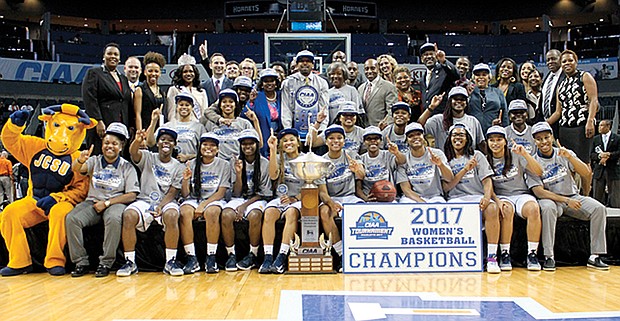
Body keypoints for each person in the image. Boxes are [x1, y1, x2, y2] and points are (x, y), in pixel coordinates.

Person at [529, 121, 609, 271]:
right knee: (547, 209)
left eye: (546, 137)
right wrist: (566, 200)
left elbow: (586, 173)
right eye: (539, 139)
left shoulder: (565, 153)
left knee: (599, 208)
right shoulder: (533, 162)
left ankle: (595, 256)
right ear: (535, 141)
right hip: (550, 199)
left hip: (572, 195)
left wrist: (570, 157)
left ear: (552, 137)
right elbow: (539, 192)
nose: (544, 141)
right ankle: (549, 256)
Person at [67, 123, 140, 277]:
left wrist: (107, 203)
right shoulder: (94, 160)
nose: (109, 146)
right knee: (72, 219)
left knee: (113, 219)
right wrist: (80, 160)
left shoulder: (127, 167)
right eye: (107, 143)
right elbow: (76, 169)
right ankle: (81, 262)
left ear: (121, 147)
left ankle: (106, 263)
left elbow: (132, 194)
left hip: (116, 203)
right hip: (92, 202)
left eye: (114, 144)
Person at [116, 126, 184, 277]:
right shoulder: (148, 156)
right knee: (129, 215)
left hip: (166, 201)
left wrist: (160, 206)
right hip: (145, 200)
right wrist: (137, 140)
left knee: (172, 215)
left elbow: (173, 191)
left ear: (174, 145)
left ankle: (170, 261)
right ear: (157, 143)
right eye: (163, 140)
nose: (166, 143)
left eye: (170, 141)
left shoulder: (179, 166)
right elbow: (133, 152)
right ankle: (130, 262)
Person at [441, 124, 500, 273]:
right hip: (456, 198)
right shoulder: (444, 158)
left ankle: (492, 258)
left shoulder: (477, 155)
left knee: (492, 208)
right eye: (455, 135)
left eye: (461, 135)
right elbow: (446, 188)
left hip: (477, 196)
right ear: (450, 138)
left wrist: (487, 198)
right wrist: (465, 169)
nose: (458, 138)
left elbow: (487, 181)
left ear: (467, 139)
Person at [485, 125, 544, 271]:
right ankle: (505, 253)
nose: (495, 143)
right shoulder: (485, 159)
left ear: (505, 141)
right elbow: (487, 185)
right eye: (492, 140)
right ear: (487, 142)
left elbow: (539, 172)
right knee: (507, 210)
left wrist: (525, 154)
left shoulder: (516, 154)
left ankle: (532, 254)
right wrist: (497, 201)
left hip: (520, 194)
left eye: (499, 139)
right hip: (501, 195)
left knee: (533, 209)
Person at [548, 50, 599, 196]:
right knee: (568, 164)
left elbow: (593, 100)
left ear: (576, 62)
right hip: (565, 128)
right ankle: (572, 194)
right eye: (564, 61)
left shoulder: (585, 76)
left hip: (582, 126)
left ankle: (587, 196)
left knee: (584, 163)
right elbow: (558, 112)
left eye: (570, 60)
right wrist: (544, 124)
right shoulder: (561, 85)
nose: (567, 63)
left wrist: (590, 121)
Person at [179, 132, 231, 274]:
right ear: (200, 147)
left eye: (213, 145)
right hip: (194, 199)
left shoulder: (224, 165)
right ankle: (191, 258)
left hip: (214, 199)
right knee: (184, 213)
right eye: (205, 144)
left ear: (218, 149)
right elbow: (185, 194)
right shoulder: (191, 164)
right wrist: (185, 180)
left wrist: (203, 205)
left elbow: (221, 193)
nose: (208, 147)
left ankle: (211, 257)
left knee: (212, 212)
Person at [317, 124, 366, 272]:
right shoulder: (321, 162)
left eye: (339, 138)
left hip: (350, 197)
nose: (335, 141)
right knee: (324, 213)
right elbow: (322, 192)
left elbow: (362, 176)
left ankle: (360, 253)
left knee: (362, 213)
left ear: (344, 141)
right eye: (331, 138)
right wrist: (332, 203)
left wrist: (357, 169)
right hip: (331, 197)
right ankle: (341, 254)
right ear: (326, 142)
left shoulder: (351, 155)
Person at [222, 130, 271, 271]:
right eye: (244, 143)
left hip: (257, 198)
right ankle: (231, 254)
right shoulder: (235, 162)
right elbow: (236, 192)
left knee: (255, 215)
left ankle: (253, 254)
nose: (247, 146)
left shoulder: (264, 163)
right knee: (226, 215)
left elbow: (264, 193)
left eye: (251, 143)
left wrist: (244, 206)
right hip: (240, 198)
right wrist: (238, 174)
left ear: (257, 145)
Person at [260, 128, 304, 274]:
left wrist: (295, 198)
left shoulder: (306, 158)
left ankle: (282, 256)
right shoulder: (279, 158)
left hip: (299, 199)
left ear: (298, 142)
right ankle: (268, 256)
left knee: (291, 213)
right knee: (269, 213)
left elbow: (312, 188)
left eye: (291, 139)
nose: (288, 143)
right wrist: (272, 151)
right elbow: (273, 176)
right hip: (281, 199)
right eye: (284, 141)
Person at [82, 43, 134, 156]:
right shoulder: (94, 73)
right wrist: (98, 121)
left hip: (121, 127)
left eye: (116, 54)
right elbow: (90, 99)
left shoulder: (124, 79)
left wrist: (130, 125)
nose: (113, 56)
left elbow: (126, 103)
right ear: (103, 57)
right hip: (103, 125)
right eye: (109, 53)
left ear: (119, 59)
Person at [396, 122, 454, 203]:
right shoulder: (403, 159)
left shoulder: (437, 153)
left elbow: (450, 178)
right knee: (405, 204)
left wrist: (440, 165)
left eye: (418, 134)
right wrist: (422, 203)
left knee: (439, 204)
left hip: (435, 196)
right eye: (411, 136)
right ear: (406, 140)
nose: (415, 137)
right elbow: (406, 190)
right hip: (412, 197)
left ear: (423, 137)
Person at [281, 50, 329, 143]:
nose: (305, 63)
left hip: (316, 130)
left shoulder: (322, 82)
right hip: (295, 131)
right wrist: (289, 130)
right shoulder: (288, 82)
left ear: (313, 64)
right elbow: (286, 108)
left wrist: (321, 129)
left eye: (308, 61)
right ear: (297, 64)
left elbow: (324, 107)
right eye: (302, 61)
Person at [419, 86, 485, 151]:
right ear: (450, 101)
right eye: (455, 99)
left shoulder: (473, 121)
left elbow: (481, 144)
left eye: (462, 99)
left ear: (466, 103)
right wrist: (431, 107)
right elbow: (418, 125)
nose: (459, 101)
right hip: (443, 160)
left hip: (468, 160)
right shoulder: (438, 120)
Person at [204, 88, 262, 161]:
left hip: (238, 162)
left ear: (235, 105)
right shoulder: (211, 123)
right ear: (219, 105)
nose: (227, 104)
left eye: (231, 101)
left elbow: (259, 144)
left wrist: (255, 121)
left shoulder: (244, 123)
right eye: (224, 102)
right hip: (219, 162)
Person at [357, 126, 405, 202]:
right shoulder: (360, 159)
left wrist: (397, 153)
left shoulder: (387, 155)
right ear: (364, 142)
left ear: (381, 141)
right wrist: (365, 198)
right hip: (369, 197)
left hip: (389, 196)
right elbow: (358, 186)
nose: (373, 141)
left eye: (376, 138)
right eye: (369, 139)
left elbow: (402, 161)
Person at [157, 93, 205, 163]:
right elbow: (151, 142)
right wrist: (154, 121)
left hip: (191, 166)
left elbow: (204, 152)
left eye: (187, 105)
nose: (184, 107)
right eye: (181, 105)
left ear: (192, 107)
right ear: (177, 107)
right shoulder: (167, 126)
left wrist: (188, 157)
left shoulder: (199, 127)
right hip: (171, 166)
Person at [166, 54, 209, 124]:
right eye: (185, 72)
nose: (188, 74)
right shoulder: (174, 90)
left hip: (197, 127)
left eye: (191, 71)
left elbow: (204, 114)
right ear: (180, 74)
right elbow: (171, 113)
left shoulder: (202, 92)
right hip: (180, 127)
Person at [419, 43, 459, 116]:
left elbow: (456, 75)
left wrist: (443, 61)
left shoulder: (444, 70)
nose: (429, 57)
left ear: (436, 56)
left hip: (443, 117)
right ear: (421, 59)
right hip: (427, 117)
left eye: (431, 54)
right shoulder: (422, 79)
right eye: (425, 55)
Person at [249, 68, 282, 157]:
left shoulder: (281, 95)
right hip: (263, 135)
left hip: (280, 136)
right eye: (266, 81)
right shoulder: (257, 96)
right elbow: (246, 114)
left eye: (272, 81)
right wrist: (251, 101)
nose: (269, 83)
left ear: (276, 83)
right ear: (262, 84)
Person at [469, 63, 509, 133]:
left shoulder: (497, 92)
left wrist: (505, 129)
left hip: (493, 132)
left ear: (489, 77)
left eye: (484, 74)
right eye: (477, 75)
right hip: (472, 131)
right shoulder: (468, 92)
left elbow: (505, 114)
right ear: (473, 78)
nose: (481, 77)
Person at [358, 58, 398, 128]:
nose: (369, 71)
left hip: (381, 130)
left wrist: (385, 124)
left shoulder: (389, 86)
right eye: (366, 69)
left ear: (378, 69)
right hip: (364, 130)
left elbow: (392, 111)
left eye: (373, 68)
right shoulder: (360, 88)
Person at [590, 119, 620, 207]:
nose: (599, 127)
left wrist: (609, 155)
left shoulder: (617, 138)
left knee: (615, 195)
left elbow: (619, 152)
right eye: (599, 125)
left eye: (601, 125)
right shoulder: (595, 139)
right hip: (599, 169)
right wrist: (600, 156)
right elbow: (591, 154)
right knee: (597, 194)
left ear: (608, 126)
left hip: (613, 168)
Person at [133, 51, 166, 131]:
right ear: (145, 72)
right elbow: (137, 115)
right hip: (145, 130)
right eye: (150, 71)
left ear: (160, 73)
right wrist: (140, 133)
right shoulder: (139, 90)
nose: (153, 74)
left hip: (158, 130)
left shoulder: (161, 91)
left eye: (156, 71)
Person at [536, 49, 565, 129]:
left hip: (560, 125)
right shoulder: (548, 77)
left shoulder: (566, 76)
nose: (550, 62)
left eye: (553, 59)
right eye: (548, 60)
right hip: (546, 123)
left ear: (561, 59)